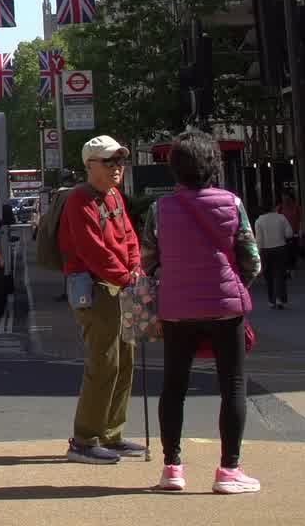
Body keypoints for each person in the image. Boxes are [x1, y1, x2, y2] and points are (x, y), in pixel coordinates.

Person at [142, 131, 262, 495]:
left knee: (174, 386)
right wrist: (237, 285)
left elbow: (148, 261)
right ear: (214, 164)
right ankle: (229, 470)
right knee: (233, 385)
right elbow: (251, 259)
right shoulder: (232, 202)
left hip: (177, 307)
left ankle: (172, 467)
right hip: (225, 307)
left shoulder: (159, 209)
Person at [57, 134, 143, 465]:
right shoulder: (80, 200)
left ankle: (111, 433)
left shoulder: (114, 197)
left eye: (119, 161)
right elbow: (93, 250)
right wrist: (126, 277)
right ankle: (84, 439)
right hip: (96, 289)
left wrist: (134, 270)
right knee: (103, 362)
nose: (116, 167)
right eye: (109, 161)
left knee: (125, 358)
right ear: (90, 165)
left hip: (121, 286)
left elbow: (129, 237)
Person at [252, 202, 295, 309]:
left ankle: (271, 300)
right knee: (280, 274)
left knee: (269, 276)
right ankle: (280, 299)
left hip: (266, 250)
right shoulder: (281, 218)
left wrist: (258, 253)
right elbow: (289, 233)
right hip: (280, 248)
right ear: (272, 208)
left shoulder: (259, 221)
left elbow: (259, 240)